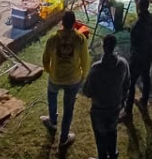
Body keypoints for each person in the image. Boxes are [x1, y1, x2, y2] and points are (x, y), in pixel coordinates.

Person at [41, 11, 91, 149]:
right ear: (74, 23)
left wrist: (50, 71)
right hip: (73, 80)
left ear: (62, 23)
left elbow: (45, 59)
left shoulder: (52, 39)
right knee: (68, 109)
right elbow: (85, 61)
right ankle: (64, 138)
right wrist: (83, 75)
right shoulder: (80, 39)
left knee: (52, 97)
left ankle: (52, 121)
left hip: (55, 77)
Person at [82, 33, 129, 159]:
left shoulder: (96, 69)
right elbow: (127, 84)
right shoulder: (123, 64)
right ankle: (113, 154)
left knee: (100, 136)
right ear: (114, 46)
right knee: (112, 132)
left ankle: (103, 156)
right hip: (115, 107)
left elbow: (87, 92)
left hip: (99, 110)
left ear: (103, 47)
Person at [124, 0, 152, 117]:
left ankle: (127, 111)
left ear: (138, 6)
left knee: (131, 82)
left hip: (139, 55)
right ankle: (144, 100)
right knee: (146, 75)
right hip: (149, 51)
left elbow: (134, 43)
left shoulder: (136, 25)